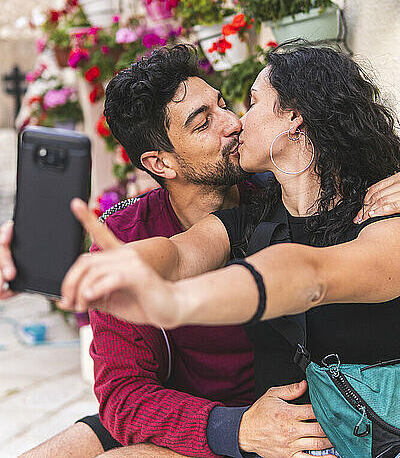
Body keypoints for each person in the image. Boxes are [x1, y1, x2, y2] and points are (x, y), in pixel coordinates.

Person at [1, 44, 357, 458]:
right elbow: (125, 397)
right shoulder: (124, 238)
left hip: (273, 412)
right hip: (192, 417)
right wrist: (234, 428)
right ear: (161, 163)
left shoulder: (282, 194)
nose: (232, 123)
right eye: (203, 123)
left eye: (223, 104)